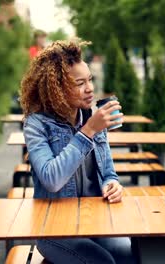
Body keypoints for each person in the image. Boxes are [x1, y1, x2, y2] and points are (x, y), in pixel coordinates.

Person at [20, 39, 135, 264]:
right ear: (57, 89)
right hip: (53, 227)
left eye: (90, 80)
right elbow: (51, 179)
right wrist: (88, 131)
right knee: (102, 261)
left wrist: (112, 185)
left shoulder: (91, 117)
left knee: (128, 253)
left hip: (93, 220)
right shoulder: (37, 124)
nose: (90, 88)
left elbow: (109, 173)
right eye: (79, 83)